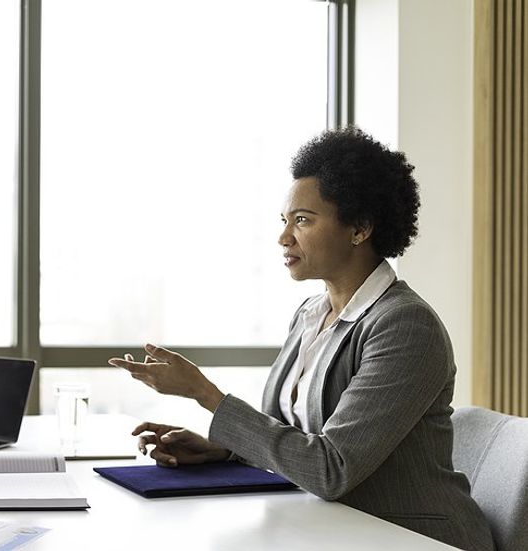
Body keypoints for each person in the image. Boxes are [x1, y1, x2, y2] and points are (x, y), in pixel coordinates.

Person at [109, 127, 495, 551]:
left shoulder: (403, 326)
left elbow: (331, 469)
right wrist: (223, 450)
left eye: (303, 220)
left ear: (360, 228)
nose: (284, 237)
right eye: (285, 220)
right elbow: (293, 437)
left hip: (414, 539)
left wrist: (204, 393)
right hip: (331, 529)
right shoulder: (311, 315)